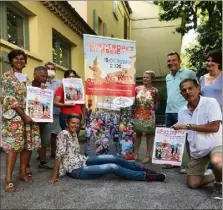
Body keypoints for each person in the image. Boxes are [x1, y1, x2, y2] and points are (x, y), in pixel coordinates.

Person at [48, 114, 166, 183]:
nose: (76, 125)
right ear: (67, 123)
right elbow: (59, 155)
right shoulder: (63, 134)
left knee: (112, 157)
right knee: (112, 167)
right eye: (73, 123)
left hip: (81, 160)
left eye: (78, 123)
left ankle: (142, 169)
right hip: (75, 170)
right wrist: (54, 176)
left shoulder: (73, 134)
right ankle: (145, 176)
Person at [172, 78, 222, 200]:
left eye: (190, 88)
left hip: (215, 144)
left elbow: (214, 127)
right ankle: (213, 175)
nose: (187, 92)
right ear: (181, 94)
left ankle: (219, 184)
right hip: (198, 150)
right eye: (184, 90)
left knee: (217, 162)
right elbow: (185, 137)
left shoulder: (210, 102)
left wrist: (188, 126)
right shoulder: (182, 112)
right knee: (193, 184)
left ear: (198, 88)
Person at [1, 49, 41, 192]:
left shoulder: (25, 78)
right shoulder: (6, 77)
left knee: (27, 145)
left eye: (22, 59)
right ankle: (8, 179)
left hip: (29, 116)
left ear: (25, 62)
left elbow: (31, 97)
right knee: (13, 148)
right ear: (11, 61)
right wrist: (24, 115)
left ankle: (22, 173)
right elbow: (8, 99)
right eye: (16, 59)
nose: (19, 61)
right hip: (14, 118)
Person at [164, 52, 197, 171]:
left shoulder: (189, 73)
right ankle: (171, 162)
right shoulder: (167, 77)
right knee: (170, 138)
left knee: (186, 138)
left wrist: (193, 106)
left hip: (182, 110)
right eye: (169, 61)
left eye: (174, 60)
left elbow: (197, 89)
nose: (171, 63)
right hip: (169, 111)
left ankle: (187, 165)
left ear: (180, 61)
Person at [199, 51, 222, 176]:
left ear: (218, 62)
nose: (209, 63)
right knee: (208, 141)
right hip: (206, 115)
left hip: (221, 114)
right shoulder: (202, 78)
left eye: (212, 60)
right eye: (207, 60)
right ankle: (210, 167)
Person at [134, 70, 160, 163]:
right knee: (138, 134)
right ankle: (136, 154)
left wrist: (153, 111)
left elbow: (157, 103)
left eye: (147, 77)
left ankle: (148, 156)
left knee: (149, 135)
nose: (144, 79)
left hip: (149, 115)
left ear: (151, 79)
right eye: (144, 77)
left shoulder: (155, 90)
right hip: (138, 113)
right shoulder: (137, 89)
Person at [30, 66, 52, 170]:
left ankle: (42, 162)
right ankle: (25, 166)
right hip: (31, 119)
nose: (45, 78)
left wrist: (45, 92)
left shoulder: (46, 88)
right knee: (30, 142)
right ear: (35, 75)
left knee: (45, 141)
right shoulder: (28, 86)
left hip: (44, 119)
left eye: (46, 76)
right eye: (43, 76)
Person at [45, 62, 62, 159]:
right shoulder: (40, 81)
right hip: (43, 113)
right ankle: (42, 155)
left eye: (52, 69)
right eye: (48, 68)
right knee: (45, 134)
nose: (50, 70)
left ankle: (54, 152)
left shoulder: (60, 83)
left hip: (56, 112)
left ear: (55, 71)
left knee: (55, 134)